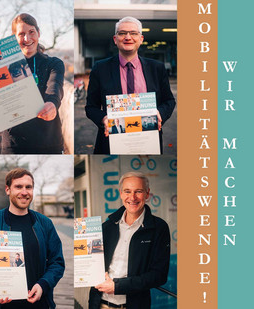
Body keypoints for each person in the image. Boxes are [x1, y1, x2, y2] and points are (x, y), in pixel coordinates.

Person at [0, 168, 65, 309]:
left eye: (28, 187)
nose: (24, 192)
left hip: (39, 304)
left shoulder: (45, 223)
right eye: (18, 187)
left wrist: (43, 285)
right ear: (7, 190)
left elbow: (57, 262)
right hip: (2, 305)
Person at [85, 16, 176, 154]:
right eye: (122, 33)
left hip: (148, 140)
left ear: (141, 39)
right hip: (111, 141)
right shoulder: (100, 68)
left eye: (133, 33)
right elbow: (91, 107)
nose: (128, 37)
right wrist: (103, 118)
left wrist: (160, 113)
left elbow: (169, 101)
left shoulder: (157, 68)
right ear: (115, 39)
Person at [89, 172, 170, 309]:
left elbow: (159, 275)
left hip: (133, 305)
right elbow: (92, 264)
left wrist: (118, 286)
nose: (132, 197)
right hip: (100, 304)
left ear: (147, 193)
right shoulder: (106, 227)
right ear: (121, 193)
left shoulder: (158, 228)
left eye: (138, 191)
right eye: (127, 191)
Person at [2, 13, 65, 154]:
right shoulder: (4, 67)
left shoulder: (53, 63)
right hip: (14, 144)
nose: (27, 39)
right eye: (21, 34)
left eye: (31, 32)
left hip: (49, 142)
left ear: (39, 33)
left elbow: (55, 86)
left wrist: (52, 103)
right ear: (14, 38)